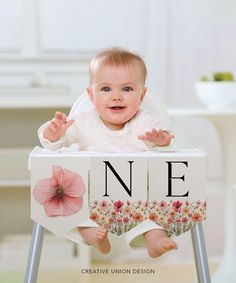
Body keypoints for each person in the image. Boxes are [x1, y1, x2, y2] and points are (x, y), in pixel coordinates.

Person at [38, 47, 177, 258]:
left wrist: (161, 140)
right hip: (95, 195)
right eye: (106, 89)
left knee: (155, 213)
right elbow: (56, 144)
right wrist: (54, 133)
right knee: (75, 210)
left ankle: (155, 241)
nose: (116, 97)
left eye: (127, 89)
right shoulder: (83, 121)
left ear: (142, 95)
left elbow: (165, 149)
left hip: (136, 195)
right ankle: (94, 236)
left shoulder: (145, 121)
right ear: (91, 95)